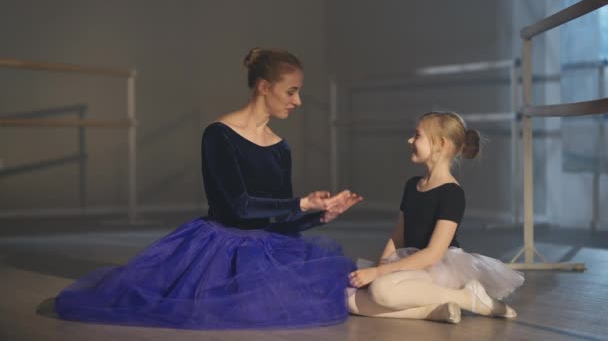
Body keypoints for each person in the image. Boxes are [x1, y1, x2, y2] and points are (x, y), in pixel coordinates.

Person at [55, 47, 362, 330]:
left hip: (266, 247)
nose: (298, 101)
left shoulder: (281, 147)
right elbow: (237, 206)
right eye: (292, 92)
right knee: (224, 308)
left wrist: (319, 215)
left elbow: (279, 217)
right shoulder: (219, 135)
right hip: (219, 248)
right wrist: (303, 204)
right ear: (264, 87)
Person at [347, 111, 523, 324]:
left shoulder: (452, 193)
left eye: (417, 135)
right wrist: (380, 266)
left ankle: (466, 297)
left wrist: (379, 274)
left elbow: (434, 253)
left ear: (441, 143)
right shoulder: (412, 185)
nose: (410, 140)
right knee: (348, 298)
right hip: (408, 264)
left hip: (439, 267)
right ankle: (433, 311)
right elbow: (398, 236)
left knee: (381, 290)